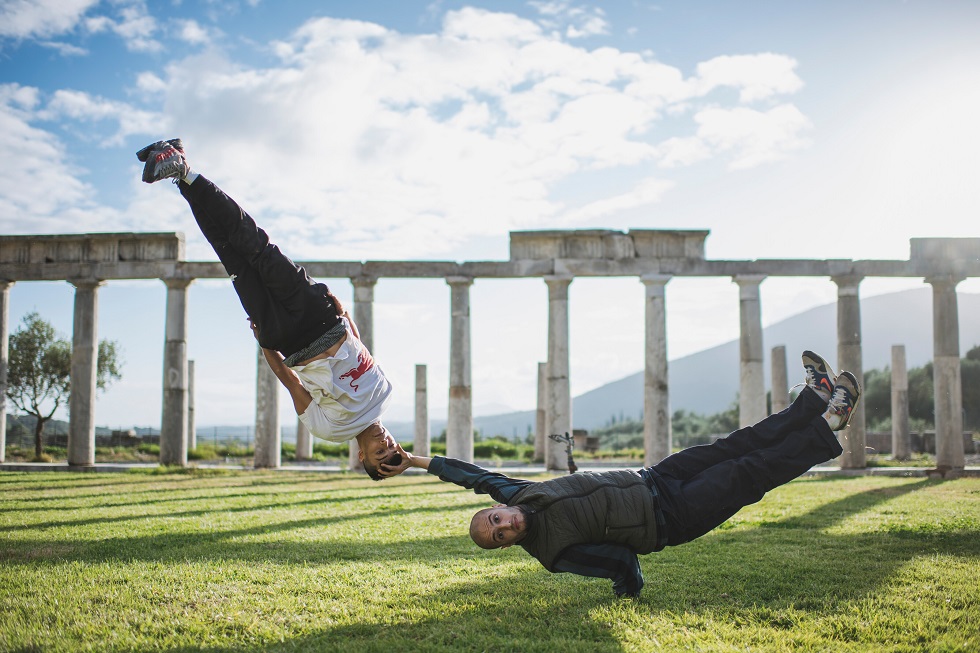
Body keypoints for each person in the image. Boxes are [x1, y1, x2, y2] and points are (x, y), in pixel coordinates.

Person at [381, 351, 861, 597]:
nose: (505, 527)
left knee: (736, 444)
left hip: (652, 477)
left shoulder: (519, 492)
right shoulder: (553, 553)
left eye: (495, 519)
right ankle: (827, 427)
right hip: (671, 518)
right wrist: (627, 592)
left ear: (499, 507)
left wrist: (416, 461)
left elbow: (472, 475)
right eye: (501, 537)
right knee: (747, 471)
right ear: (508, 544)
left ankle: (813, 400)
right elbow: (620, 565)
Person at [137, 139, 403, 479]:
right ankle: (184, 170)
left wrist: (265, 343)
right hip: (321, 317)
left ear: (361, 454)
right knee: (255, 244)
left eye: (380, 451)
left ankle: (179, 173)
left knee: (231, 256)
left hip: (287, 340)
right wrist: (346, 315)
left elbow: (291, 382)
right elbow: (361, 353)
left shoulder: (331, 431)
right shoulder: (386, 395)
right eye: (392, 445)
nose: (385, 441)